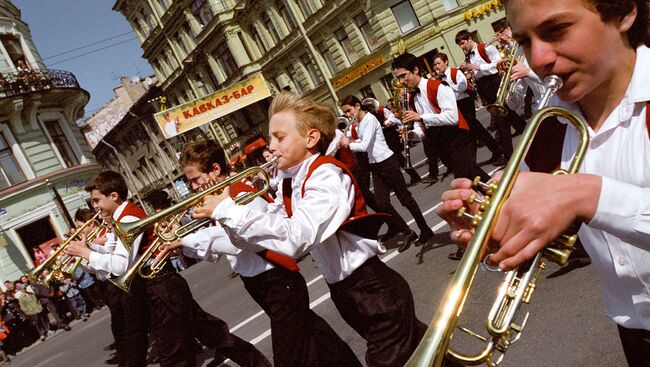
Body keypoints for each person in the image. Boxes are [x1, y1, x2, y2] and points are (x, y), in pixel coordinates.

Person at [439, 0, 650, 366]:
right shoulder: (547, 133)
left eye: (556, 31)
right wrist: (492, 232)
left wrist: (587, 194)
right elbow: (521, 240)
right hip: (635, 334)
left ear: (624, 13)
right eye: (524, 41)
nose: (538, 58)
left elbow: (584, 199)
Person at [193, 91, 427, 367]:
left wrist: (226, 209)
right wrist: (229, 218)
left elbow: (296, 238)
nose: (271, 146)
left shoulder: (326, 175)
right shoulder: (290, 182)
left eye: (280, 137)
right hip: (346, 293)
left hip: (372, 289)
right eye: (271, 138)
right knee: (427, 355)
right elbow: (264, 238)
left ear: (311, 138)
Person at [157, 139, 362, 367]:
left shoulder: (241, 193)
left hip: (277, 281)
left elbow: (238, 243)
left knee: (290, 358)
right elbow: (217, 252)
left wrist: (186, 239)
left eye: (195, 179)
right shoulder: (219, 199)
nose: (194, 187)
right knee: (320, 341)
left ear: (215, 169)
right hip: (259, 283)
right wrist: (181, 242)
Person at [65, 170, 269, 367]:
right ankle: (257, 363)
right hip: (156, 286)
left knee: (174, 356)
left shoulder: (128, 219)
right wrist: (85, 250)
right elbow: (109, 257)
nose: (94, 206)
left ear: (114, 196)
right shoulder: (118, 220)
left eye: (96, 200)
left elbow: (120, 265)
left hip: (161, 286)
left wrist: (85, 253)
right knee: (211, 334)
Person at [339, 94, 434, 252]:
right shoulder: (360, 123)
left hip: (387, 161)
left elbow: (364, 146)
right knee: (382, 204)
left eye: (349, 110)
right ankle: (407, 232)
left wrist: (348, 144)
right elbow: (365, 144)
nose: (348, 115)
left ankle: (425, 229)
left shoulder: (369, 119)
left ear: (357, 106)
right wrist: (352, 141)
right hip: (375, 165)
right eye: (346, 113)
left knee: (405, 198)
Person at [392, 52, 490, 183]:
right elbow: (421, 129)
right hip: (439, 142)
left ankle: (500, 195)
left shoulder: (438, 86)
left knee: (463, 178)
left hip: (457, 136)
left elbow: (452, 118)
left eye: (403, 76)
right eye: (399, 78)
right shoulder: (412, 98)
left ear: (415, 70)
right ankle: (499, 194)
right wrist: (410, 135)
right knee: (472, 177)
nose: (402, 81)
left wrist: (420, 117)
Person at [455, 29, 528, 160]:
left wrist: (479, 67)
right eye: (459, 45)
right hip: (485, 87)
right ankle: (530, 133)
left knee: (501, 120)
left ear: (470, 39)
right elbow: (477, 72)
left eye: (463, 43)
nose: (462, 47)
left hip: (494, 82)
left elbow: (499, 63)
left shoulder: (487, 48)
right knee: (509, 115)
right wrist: (470, 72)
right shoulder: (468, 56)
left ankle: (508, 156)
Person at [433, 52, 504, 166]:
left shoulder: (455, 72)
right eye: (435, 64)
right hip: (456, 105)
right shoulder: (439, 78)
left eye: (438, 63)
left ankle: (494, 153)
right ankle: (496, 152)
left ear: (446, 62)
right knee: (473, 131)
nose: (436, 66)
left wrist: (447, 87)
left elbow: (463, 86)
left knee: (472, 130)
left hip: (465, 102)